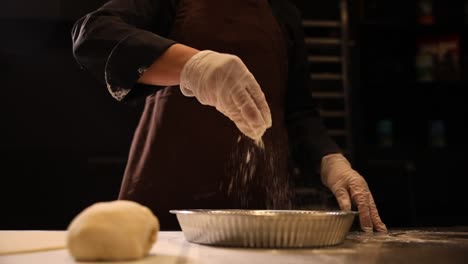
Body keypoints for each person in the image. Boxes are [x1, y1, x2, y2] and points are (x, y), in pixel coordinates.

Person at [72, 0, 387, 232]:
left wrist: (331, 161)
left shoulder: (284, 11)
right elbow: (93, 35)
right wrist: (194, 67)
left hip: (258, 213)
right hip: (165, 206)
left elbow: (299, 111)